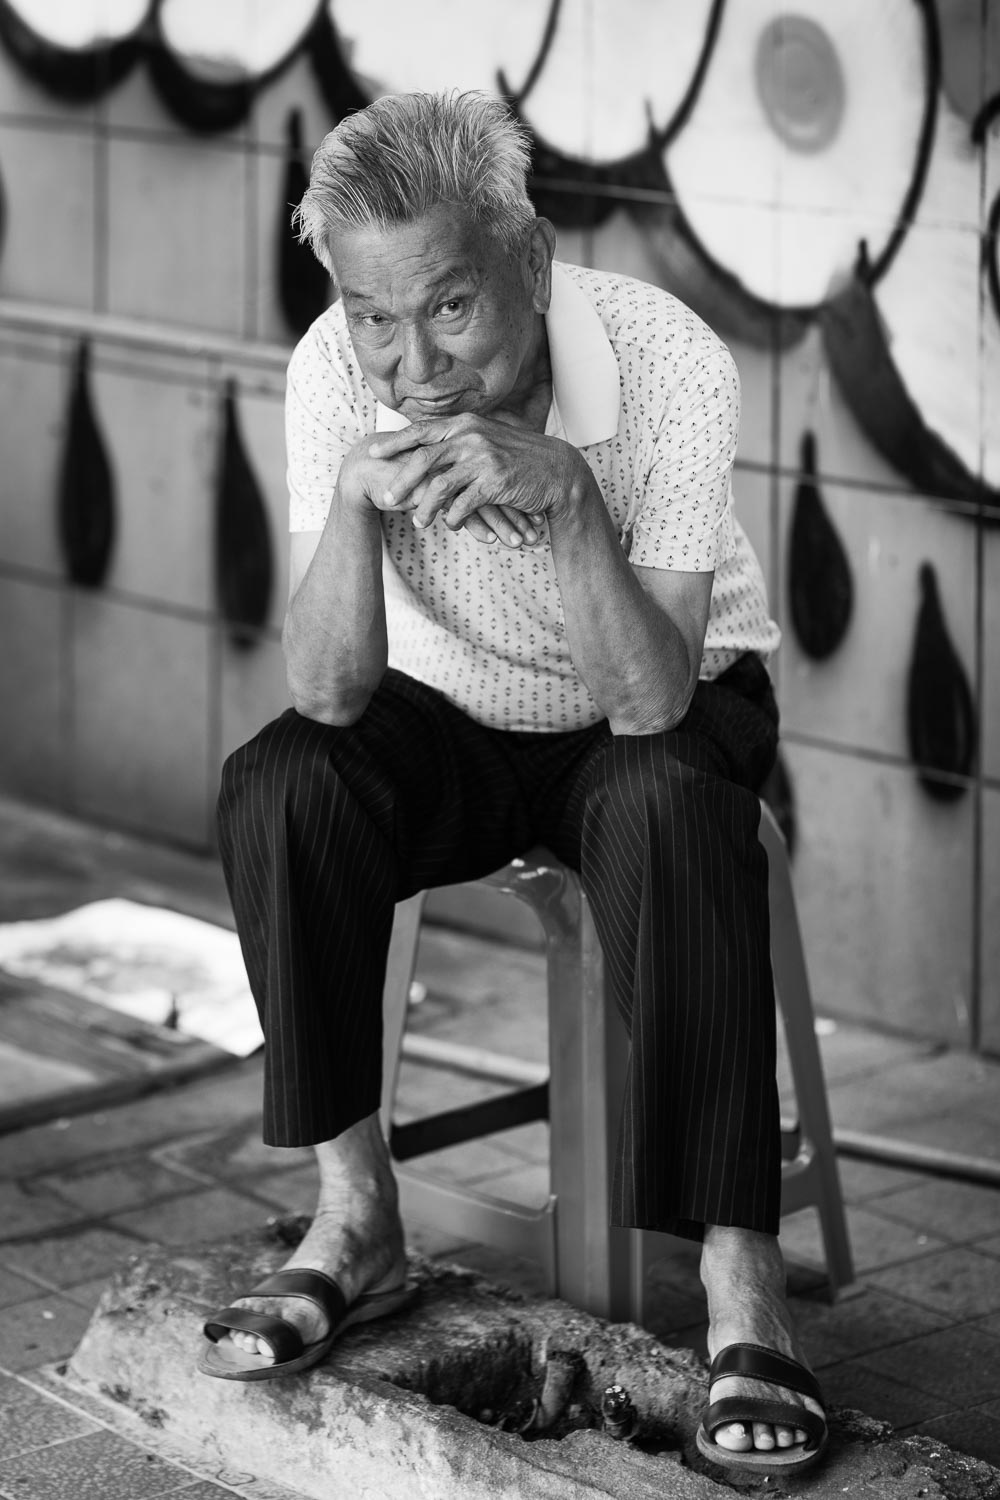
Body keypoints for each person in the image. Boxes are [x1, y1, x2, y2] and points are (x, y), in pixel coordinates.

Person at [198, 90, 827, 1474]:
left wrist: (569, 500)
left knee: (669, 799)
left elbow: (651, 698)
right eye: (376, 318)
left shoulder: (662, 357)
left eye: (451, 311)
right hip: (454, 716)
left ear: (530, 263)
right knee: (282, 782)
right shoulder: (330, 371)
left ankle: (740, 1283)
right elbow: (332, 695)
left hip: (669, 703)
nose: (412, 364)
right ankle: (356, 1218)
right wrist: (355, 506)